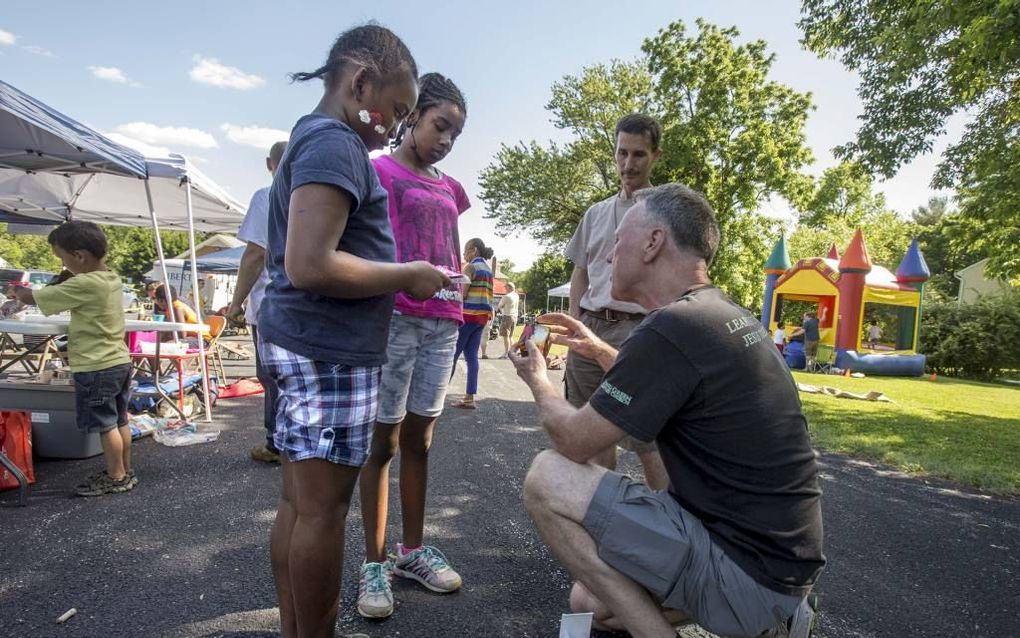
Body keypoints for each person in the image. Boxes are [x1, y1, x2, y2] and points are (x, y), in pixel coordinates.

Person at [510, 184, 824, 638]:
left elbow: (574, 440)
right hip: (781, 568)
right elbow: (671, 385)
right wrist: (600, 349)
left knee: (547, 476)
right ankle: (780, 620)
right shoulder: (716, 314)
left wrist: (537, 378)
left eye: (618, 241)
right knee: (591, 602)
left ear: (653, 242)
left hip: (747, 575)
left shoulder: (671, 328)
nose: (607, 256)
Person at [254, 25, 447, 638]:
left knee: (299, 504)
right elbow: (311, 263)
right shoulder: (335, 143)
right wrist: (408, 274)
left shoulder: (315, 138)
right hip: (328, 352)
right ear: (360, 80)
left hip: (305, 345)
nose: (389, 127)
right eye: (392, 109)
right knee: (322, 512)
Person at [357, 72, 469, 620]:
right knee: (383, 442)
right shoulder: (378, 171)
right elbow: (371, 244)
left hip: (444, 320)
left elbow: (445, 243)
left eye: (455, 133)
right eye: (439, 125)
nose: (445, 140)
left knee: (421, 439)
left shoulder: (451, 187)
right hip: (396, 316)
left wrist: (463, 277)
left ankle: (412, 553)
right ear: (413, 118)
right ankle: (373, 562)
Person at [563, 113, 668, 490]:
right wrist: (575, 322)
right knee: (591, 431)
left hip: (639, 332)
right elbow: (581, 273)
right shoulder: (595, 214)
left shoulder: (667, 211)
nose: (628, 164)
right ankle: (603, 518)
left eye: (638, 155)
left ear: (655, 156)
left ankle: (671, 527)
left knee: (648, 437)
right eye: (621, 153)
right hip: (590, 326)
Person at [14, 222, 136, 497]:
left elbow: (35, 297)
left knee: (105, 426)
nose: (63, 264)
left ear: (79, 256)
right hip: (117, 361)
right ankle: (125, 471)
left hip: (96, 365)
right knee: (120, 421)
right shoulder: (110, 278)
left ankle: (115, 476)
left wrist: (18, 293)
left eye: (62, 258)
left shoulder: (85, 282)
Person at [226, 139, 289, 464]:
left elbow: (254, 254)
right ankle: (296, 440)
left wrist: (235, 303)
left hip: (271, 306)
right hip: (306, 305)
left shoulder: (267, 196)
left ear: (269, 164)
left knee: (272, 376)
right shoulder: (315, 197)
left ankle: (276, 444)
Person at [450, 237, 495, 410]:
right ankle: (469, 398)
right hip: (481, 318)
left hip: (467, 316)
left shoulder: (471, 267)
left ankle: (437, 395)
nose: (464, 254)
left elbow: (463, 293)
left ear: (473, 250)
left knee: (451, 356)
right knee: (472, 357)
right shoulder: (488, 270)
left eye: (465, 250)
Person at [494, 282, 519, 358]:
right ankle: (514, 351)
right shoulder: (516, 295)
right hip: (515, 316)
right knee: (511, 336)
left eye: (506, 287)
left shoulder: (507, 296)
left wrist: (502, 308)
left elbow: (499, 306)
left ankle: (507, 353)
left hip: (507, 316)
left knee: (506, 336)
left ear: (509, 287)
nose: (505, 289)